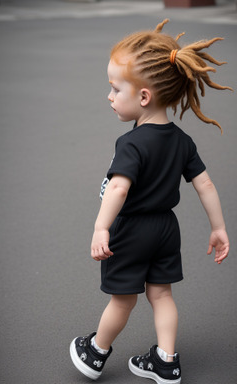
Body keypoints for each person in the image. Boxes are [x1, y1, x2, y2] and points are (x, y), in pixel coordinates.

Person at [70, 19, 231, 383]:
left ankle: (95, 353)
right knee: (162, 297)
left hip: (132, 230)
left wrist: (101, 226)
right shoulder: (182, 141)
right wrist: (218, 228)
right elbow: (204, 184)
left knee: (123, 299)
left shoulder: (132, 143)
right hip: (165, 230)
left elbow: (118, 189)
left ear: (144, 97)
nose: (109, 96)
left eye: (114, 89)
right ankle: (166, 361)